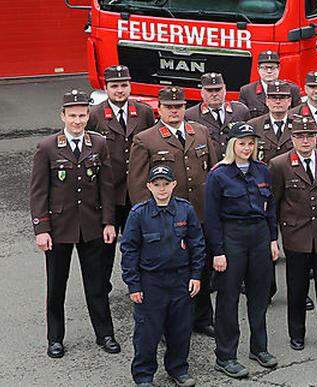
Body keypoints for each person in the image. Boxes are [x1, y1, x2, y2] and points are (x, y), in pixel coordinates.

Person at [31, 89, 119, 359]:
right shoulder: (47, 147)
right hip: (59, 229)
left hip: (91, 226)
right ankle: (55, 339)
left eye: (82, 115)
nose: (78, 121)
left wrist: (108, 223)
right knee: (57, 286)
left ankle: (105, 335)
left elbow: (106, 187)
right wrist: (42, 229)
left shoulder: (99, 143)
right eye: (73, 116)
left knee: (97, 284)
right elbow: (38, 192)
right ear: (63, 116)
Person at [128, 86, 220, 337]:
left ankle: (202, 317)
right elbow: (137, 184)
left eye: (178, 106)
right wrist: (147, 218)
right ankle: (172, 324)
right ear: (160, 108)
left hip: (199, 212)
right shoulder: (146, 139)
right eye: (169, 107)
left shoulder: (199, 131)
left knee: (199, 265)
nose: (174, 112)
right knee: (171, 268)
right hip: (165, 217)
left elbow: (213, 172)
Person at [204, 121, 279, 378]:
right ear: (231, 145)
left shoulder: (262, 171)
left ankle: (259, 348)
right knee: (228, 298)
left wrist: (272, 239)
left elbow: (271, 209)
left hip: (259, 236)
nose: (246, 148)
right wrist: (218, 251)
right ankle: (225, 356)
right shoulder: (219, 174)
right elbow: (211, 217)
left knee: (259, 296)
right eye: (241, 143)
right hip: (231, 236)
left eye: (250, 143)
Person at [121, 165, 205, 387]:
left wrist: (196, 275)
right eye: (156, 185)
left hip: (180, 280)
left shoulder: (185, 210)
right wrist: (133, 285)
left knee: (181, 329)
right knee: (147, 332)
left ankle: (178, 369)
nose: (161, 190)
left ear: (173, 185)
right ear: (149, 186)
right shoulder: (139, 214)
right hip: (151, 282)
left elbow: (197, 244)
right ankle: (143, 375)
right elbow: (129, 250)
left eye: (165, 184)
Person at [269, 115, 317, 351]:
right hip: (296, 235)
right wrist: (274, 238)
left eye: (310, 135)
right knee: (297, 289)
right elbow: (275, 202)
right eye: (300, 136)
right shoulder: (280, 164)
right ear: (292, 138)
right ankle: (296, 333)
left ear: (316, 137)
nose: (305, 140)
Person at [88, 64, 155, 287]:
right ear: (106, 88)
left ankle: (136, 283)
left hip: (137, 192)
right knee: (105, 244)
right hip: (108, 193)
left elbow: (151, 145)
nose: (119, 90)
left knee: (138, 241)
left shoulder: (143, 112)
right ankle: (101, 285)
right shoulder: (95, 115)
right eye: (114, 86)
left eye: (124, 85)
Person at [185, 72, 250, 152]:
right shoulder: (191, 115)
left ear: (225, 90)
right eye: (209, 90)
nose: (214, 94)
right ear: (202, 92)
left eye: (218, 90)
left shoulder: (240, 111)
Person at [239, 50, 301, 119]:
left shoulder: (292, 89)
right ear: (258, 69)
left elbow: (297, 116)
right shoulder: (247, 91)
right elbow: (243, 118)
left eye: (272, 68)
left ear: (279, 69)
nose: (269, 71)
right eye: (265, 68)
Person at [249, 80, 297, 164]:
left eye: (282, 97)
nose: (278, 101)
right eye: (274, 97)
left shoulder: (298, 124)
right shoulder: (254, 125)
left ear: (289, 101)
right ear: (267, 101)